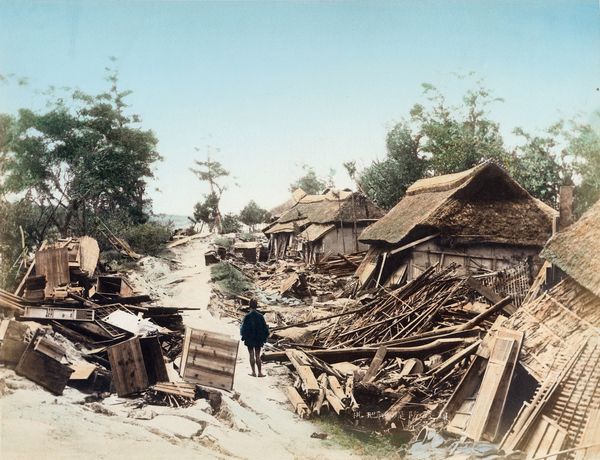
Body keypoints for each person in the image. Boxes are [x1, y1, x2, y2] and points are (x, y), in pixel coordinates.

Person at [240, 298, 269, 377]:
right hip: (258, 338)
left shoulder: (247, 316)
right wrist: (264, 338)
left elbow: (243, 329)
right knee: (257, 355)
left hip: (249, 338)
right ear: (257, 306)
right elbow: (265, 328)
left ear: (249, 305)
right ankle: (260, 373)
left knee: (251, 355)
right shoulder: (260, 316)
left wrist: (244, 337)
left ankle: (253, 372)